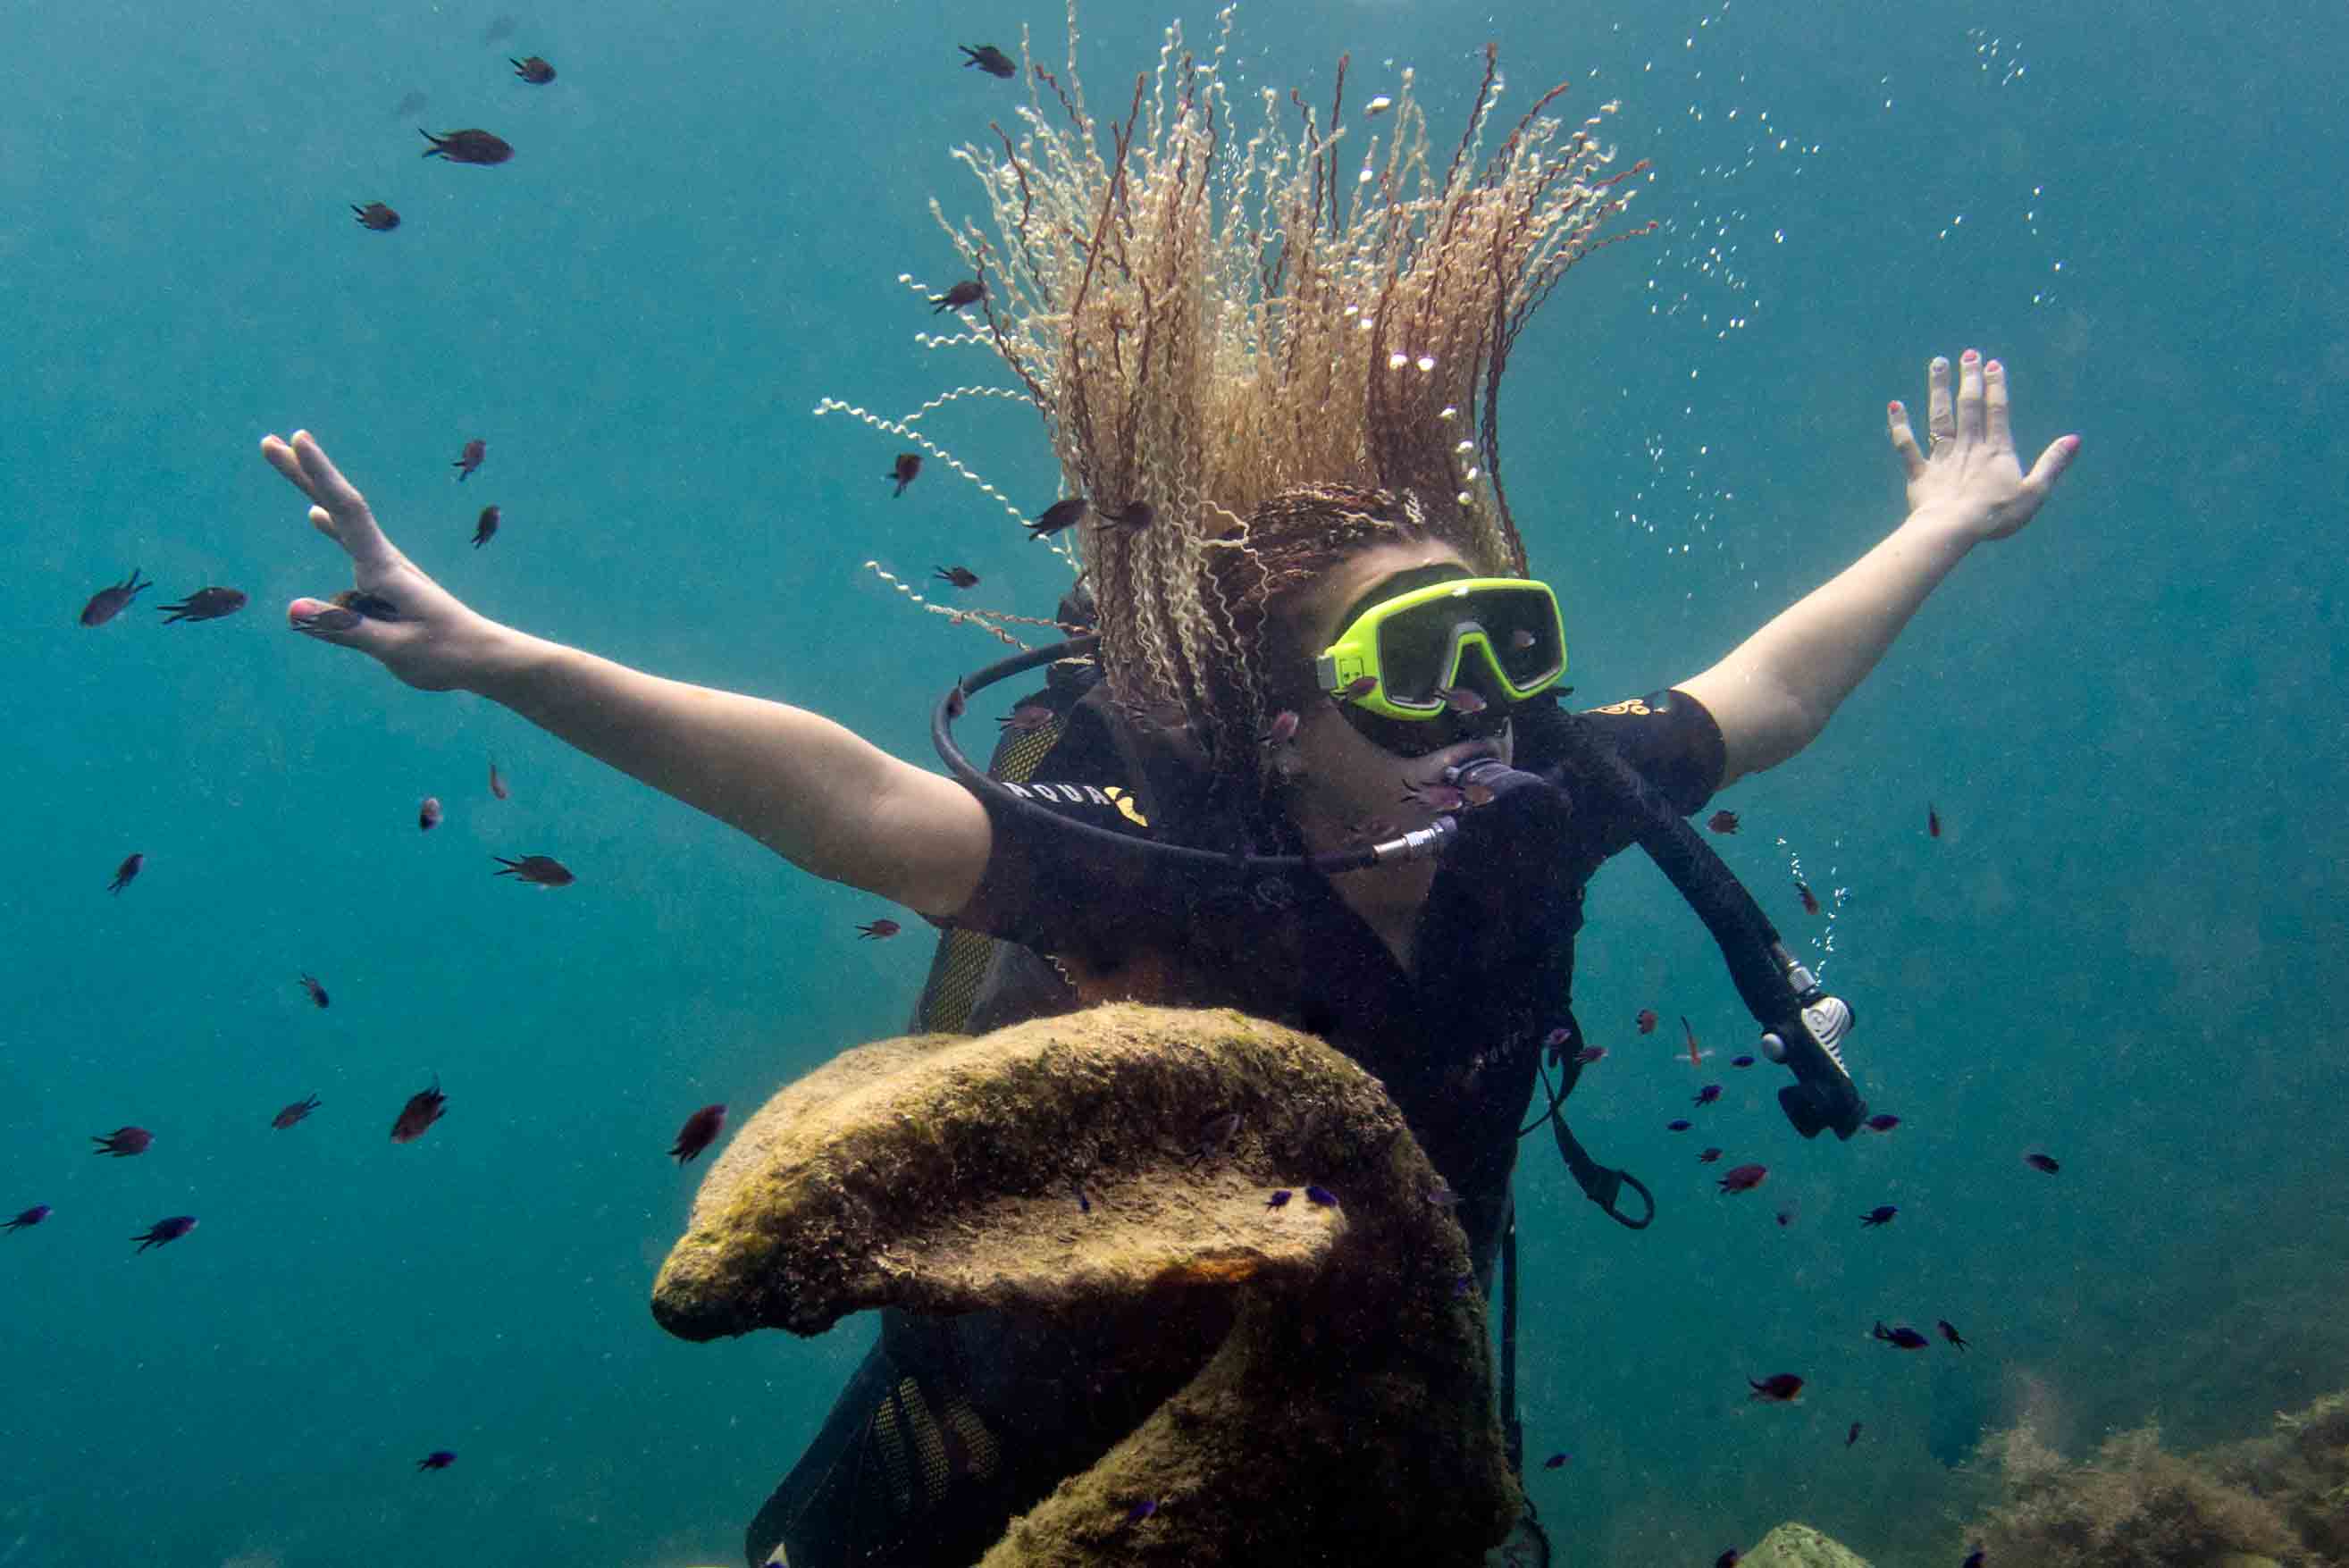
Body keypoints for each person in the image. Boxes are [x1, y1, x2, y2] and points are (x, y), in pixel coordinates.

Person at [257, 37, 2074, 1568]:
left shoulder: (1539, 806)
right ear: (1282, 727)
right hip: (1034, 1391)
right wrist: (501, 656)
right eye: (1413, 660)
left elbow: (1762, 698)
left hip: (1368, 1384)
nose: (1485, 706)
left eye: (1504, 644)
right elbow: (852, 805)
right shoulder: (1186, 872)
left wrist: (1932, 522)